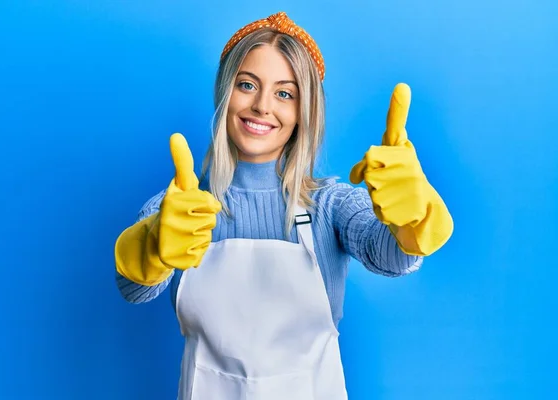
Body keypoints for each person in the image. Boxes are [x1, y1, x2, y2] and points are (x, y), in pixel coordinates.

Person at [114, 11, 453, 400]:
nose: (262, 106)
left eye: (284, 93)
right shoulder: (183, 209)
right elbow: (132, 289)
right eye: (247, 84)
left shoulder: (329, 205)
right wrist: (153, 245)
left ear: (304, 111)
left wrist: (413, 221)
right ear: (225, 94)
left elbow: (393, 257)